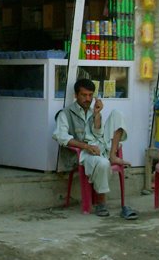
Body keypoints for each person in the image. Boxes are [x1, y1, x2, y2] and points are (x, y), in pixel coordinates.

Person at [53, 77, 137, 220]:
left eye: (90, 95)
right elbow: (61, 137)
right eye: (84, 95)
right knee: (102, 163)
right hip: (84, 154)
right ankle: (101, 203)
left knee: (118, 114)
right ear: (76, 95)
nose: (88, 99)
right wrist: (86, 146)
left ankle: (112, 155)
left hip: (101, 146)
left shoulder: (93, 111)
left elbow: (99, 132)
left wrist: (97, 114)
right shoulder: (65, 113)